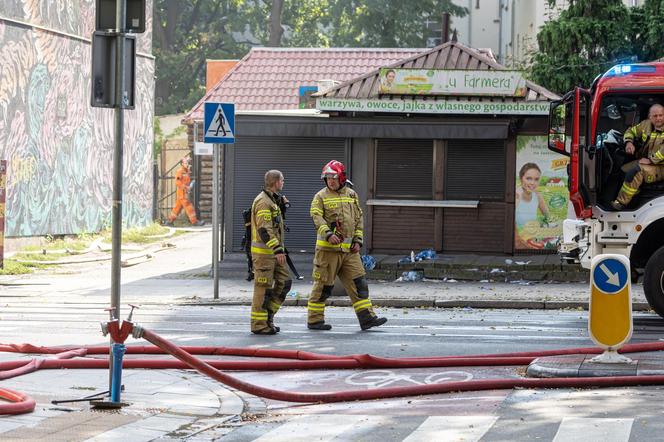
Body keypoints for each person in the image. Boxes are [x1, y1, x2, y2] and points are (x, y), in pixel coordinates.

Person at [307, 160, 387, 331]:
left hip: (350, 252)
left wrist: (358, 241)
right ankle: (315, 320)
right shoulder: (320, 196)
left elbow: (359, 218)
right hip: (328, 251)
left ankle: (367, 318)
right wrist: (328, 234)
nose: (330, 181)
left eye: (333, 178)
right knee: (323, 286)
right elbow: (316, 217)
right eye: (327, 178)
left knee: (359, 284)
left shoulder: (351, 194)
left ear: (342, 177)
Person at [249, 170, 292, 335]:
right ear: (275, 182)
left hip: (274, 253)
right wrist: (277, 249)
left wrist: (282, 206)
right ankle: (259, 324)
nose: (283, 182)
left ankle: (268, 317)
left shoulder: (272, 201)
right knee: (263, 288)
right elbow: (264, 229)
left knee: (285, 283)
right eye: (282, 180)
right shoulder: (263, 202)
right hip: (265, 254)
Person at [610, 103, 664, 210]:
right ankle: (634, 197)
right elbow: (631, 131)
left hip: (660, 165)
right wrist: (629, 142)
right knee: (623, 169)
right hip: (647, 162)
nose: (658, 118)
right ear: (650, 117)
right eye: (655, 116)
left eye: (661, 115)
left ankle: (621, 203)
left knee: (636, 171)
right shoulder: (645, 125)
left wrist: (650, 160)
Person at [515, 163, 550, 249]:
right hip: (519, 242)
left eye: (536, 179)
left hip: (533, 239)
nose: (532, 183)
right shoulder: (517, 195)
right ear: (521, 179)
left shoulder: (537, 196)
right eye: (528, 178)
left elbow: (548, 216)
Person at [166, 156, 204, 227]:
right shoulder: (180, 171)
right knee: (189, 207)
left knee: (177, 208)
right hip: (183, 193)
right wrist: (186, 187)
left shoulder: (186, 171)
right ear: (182, 164)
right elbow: (177, 182)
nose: (188, 164)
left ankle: (169, 221)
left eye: (188, 163)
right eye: (186, 163)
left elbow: (186, 180)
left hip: (183, 193)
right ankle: (194, 221)